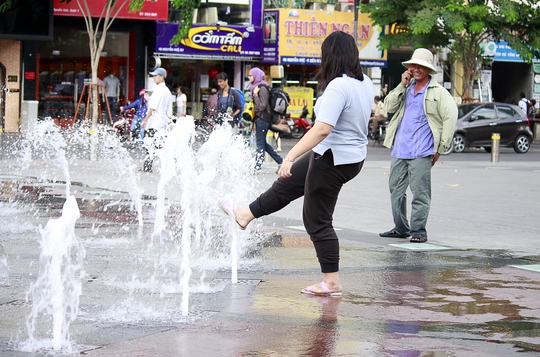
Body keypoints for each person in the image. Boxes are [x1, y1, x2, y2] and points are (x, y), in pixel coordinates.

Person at [221, 31, 374, 296]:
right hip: (345, 156)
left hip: (334, 159)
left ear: (331, 56)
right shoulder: (365, 83)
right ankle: (244, 214)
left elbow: (322, 129)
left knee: (316, 218)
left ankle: (332, 282)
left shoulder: (339, 86)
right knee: (286, 184)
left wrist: (290, 156)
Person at [379, 48, 458, 243]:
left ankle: (419, 230)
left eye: (420, 66)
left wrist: (441, 148)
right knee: (395, 191)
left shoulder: (438, 92)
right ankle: (401, 228)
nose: (416, 69)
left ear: (428, 70)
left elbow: (450, 116)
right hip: (399, 149)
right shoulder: (405, 88)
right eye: (413, 65)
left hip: (422, 151)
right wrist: (400, 85)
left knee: (420, 193)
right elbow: (388, 108)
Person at [249, 67, 283, 174]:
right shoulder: (257, 87)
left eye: (250, 75)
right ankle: (280, 161)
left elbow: (262, 106)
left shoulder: (262, 88)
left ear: (256, 75)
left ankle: (258, 167)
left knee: (260, 144)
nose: (249, 77)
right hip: (260, 119)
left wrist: (255, 95)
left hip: (263, 119)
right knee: (263, 143)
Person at [140, 68, 173, 172]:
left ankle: (147, 167)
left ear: (162, 77)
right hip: (162, 123)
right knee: (158, 145)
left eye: (156, 76)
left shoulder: (158, 90)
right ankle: (165, 167)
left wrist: (145, 120)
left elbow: (152, 107)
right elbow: (169, 110)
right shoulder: (167, 91)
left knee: (149, 144)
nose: (154, 78)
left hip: (154, 122)